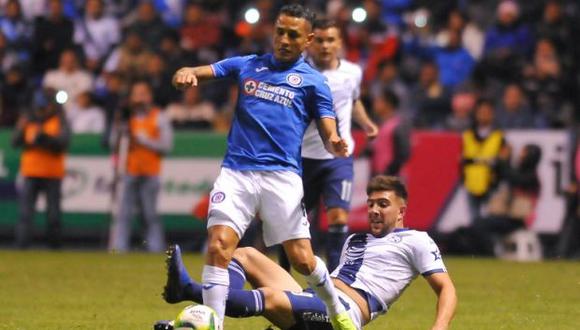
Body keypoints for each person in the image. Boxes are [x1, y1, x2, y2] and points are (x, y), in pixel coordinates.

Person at [171, 4, 354, 329]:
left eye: (293, 34)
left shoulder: (313, 82)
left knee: (302, 260)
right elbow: (198, 70)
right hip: (236, 174)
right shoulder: (247, 65)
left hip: (281, 178)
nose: (284, 39)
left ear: (308, 39)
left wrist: (335, 142)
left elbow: (329, 128)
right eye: (280, 31)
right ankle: (214, 324)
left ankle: (336, 307)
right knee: (218, 246)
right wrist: (186, 73)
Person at [158, 176, 457, 330]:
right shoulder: (357, 240)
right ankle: (209, 318)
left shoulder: (417, 240)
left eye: (383, 204)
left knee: (271, 297)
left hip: (342, 316)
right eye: (370, 204)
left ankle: (189, 292)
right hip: (315, 297)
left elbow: (446, 289)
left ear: (402, 210)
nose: (374, 210)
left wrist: (440, 327)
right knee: (245, 253)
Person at [283, 18, 378, 273]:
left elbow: (353, 100)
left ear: (340, 43)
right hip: (301, 158)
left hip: (339, 157)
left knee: (338, 217)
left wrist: (367, 124)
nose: (325, 46)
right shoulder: (297, 72)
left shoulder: (352, 72)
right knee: (292, 222)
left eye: (331, 40)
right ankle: (284, 276)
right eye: (321, 40)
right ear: (311, 43)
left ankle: (336, 277)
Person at [108, 80, 173, 253]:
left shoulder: (158, 116)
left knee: (150, 214)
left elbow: (166, 145)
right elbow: (112, 143)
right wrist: (119, 129)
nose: (139, 98)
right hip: (128, 170)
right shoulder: (126, 117)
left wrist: (144, 140)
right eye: (136, 94)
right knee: (124, 213)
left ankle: (155, 248)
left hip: (150, 171)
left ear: (149, 96)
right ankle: (119, 248)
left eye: (143, 93)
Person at [12, 88, 71, 249]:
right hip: (31, 172)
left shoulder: (60, 121)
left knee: (53, 215)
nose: (42, 110)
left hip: (52, 173)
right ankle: (21, 247)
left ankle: (55, 247)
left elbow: (62, 144)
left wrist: (42, 138)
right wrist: (21, 128)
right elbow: (14, 142)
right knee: (25, 214)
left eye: (45, 106)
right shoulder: (28, 120)